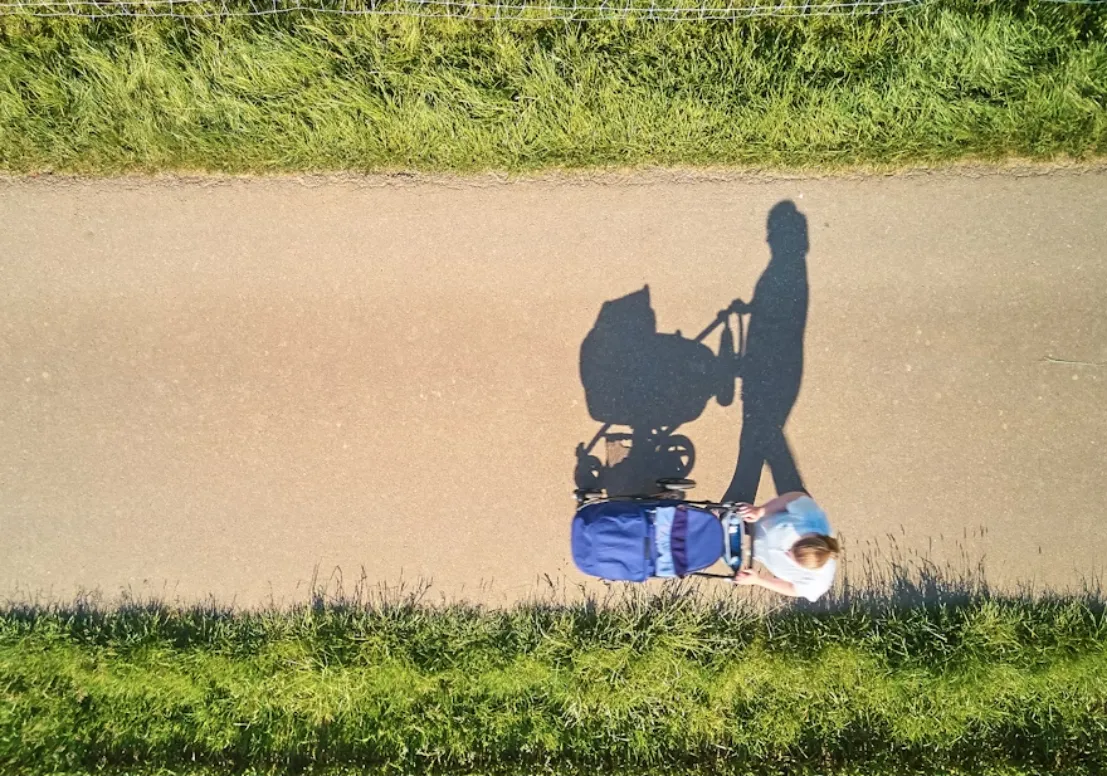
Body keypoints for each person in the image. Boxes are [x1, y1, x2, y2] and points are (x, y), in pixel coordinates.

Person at [733, 491, 838, 602]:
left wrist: (758, 580)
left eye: (793, 559)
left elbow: (793, 589)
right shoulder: (811, 519)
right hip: (760, 522)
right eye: (791, 548)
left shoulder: (818, 582)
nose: (786, 553)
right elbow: (793, 498)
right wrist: (760, 511)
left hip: (760, 551)